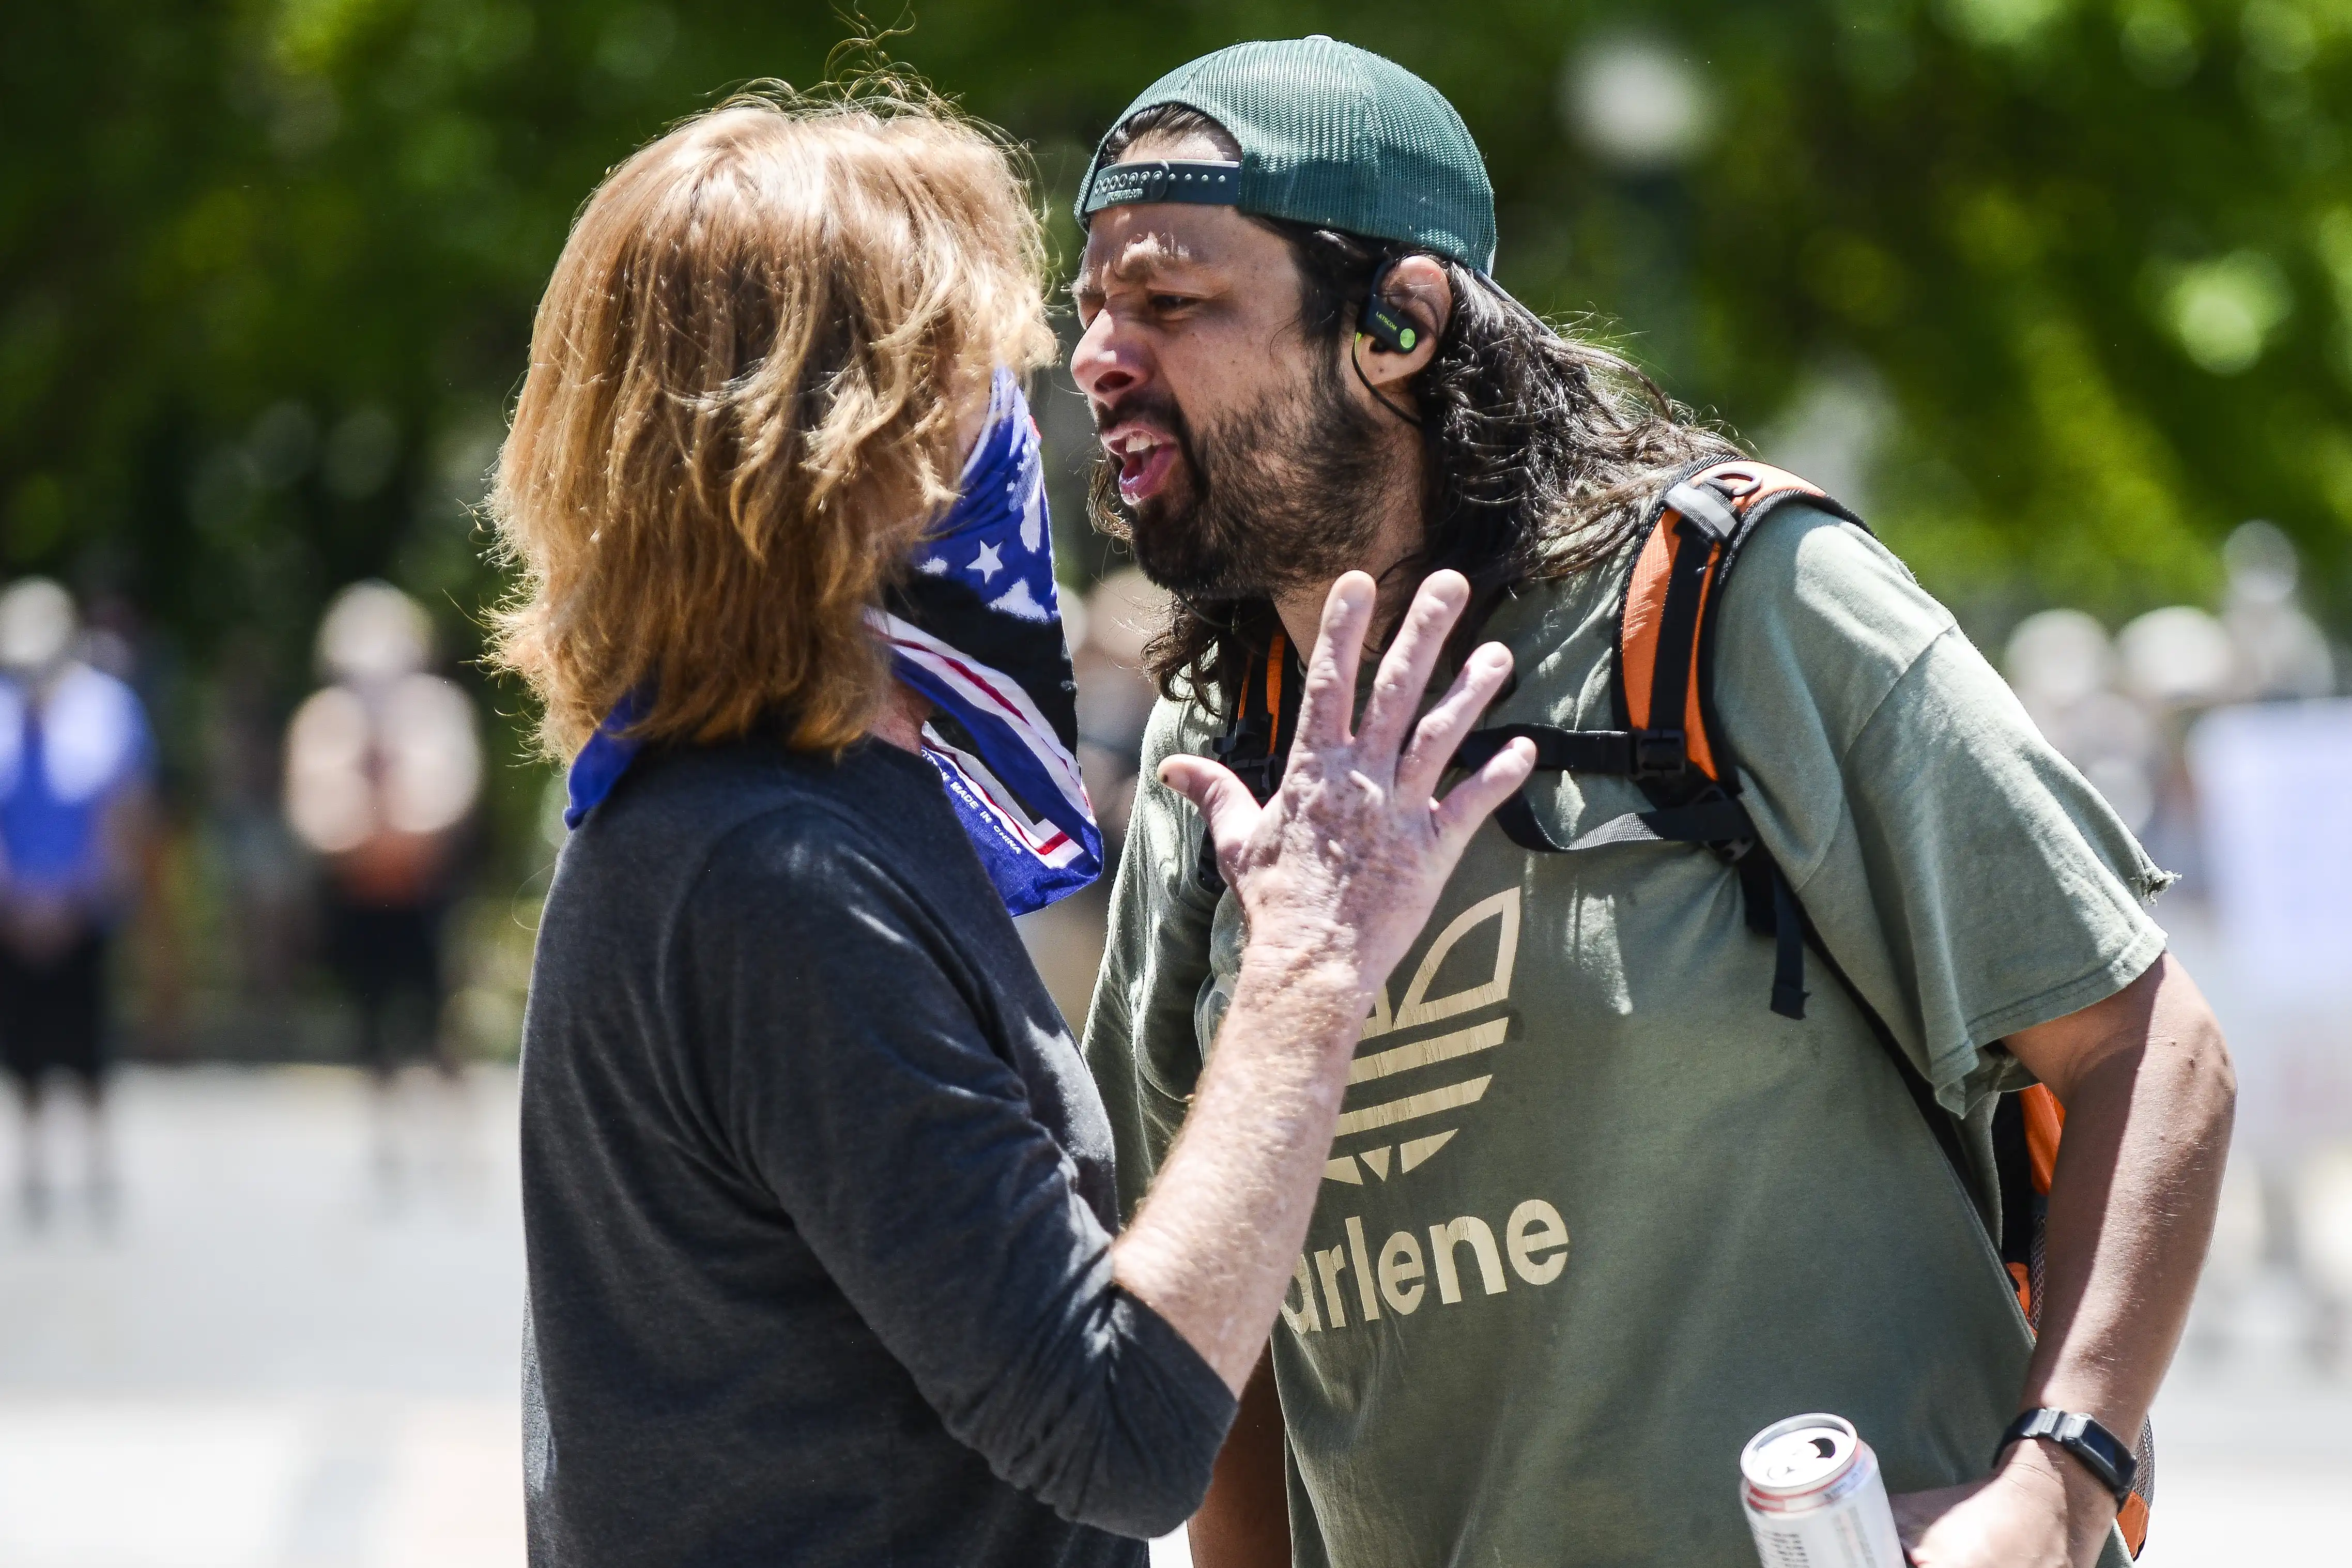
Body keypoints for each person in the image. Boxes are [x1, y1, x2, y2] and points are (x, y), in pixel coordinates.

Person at [1073, 37, 2238, 1568]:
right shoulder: (1208, 760)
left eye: (1169, 303)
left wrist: (2054, 1482)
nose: (1097, 356)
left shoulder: (1726, 609)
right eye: (1087, 309)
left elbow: (2147, 1047)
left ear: (1396, 321)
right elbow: (1205, 1322)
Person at [485, 81, 1534, 1568]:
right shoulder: (764, 872)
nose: (1041, 408)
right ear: (859, 448)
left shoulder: (768, 803)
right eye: (974, 372)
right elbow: (1114, 1429)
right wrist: (1309, 958)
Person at [284, 581, 481, 1180]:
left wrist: (388, 828)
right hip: (360, 898)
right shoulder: (324, 720)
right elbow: (313, 817)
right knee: (370, 1021)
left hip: (425, 896)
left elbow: (453, 801)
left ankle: (452, 1138)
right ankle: (387, 1140)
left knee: (439, 1017)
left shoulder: (438, 711)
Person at [0, 578, 155, 1223]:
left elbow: (124, 815)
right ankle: (32, 1168)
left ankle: (97, 1168)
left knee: (88, 1040)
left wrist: (78, 900)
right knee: (23, 1046)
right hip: (12, 913)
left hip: (82, 910)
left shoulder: (107, 708)